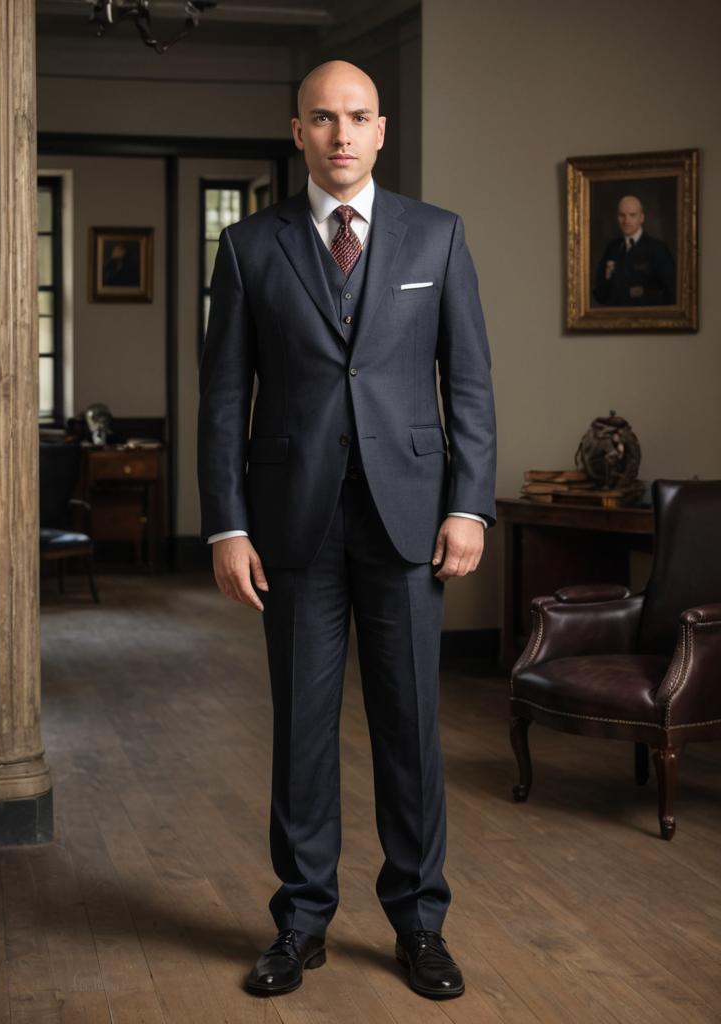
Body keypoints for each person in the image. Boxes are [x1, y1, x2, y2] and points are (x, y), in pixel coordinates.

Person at [197, 60, 496, 1001]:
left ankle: (419, 923)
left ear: (381, 128)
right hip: (292, 526)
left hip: (411, 521)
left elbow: (473, 386)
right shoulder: (249, 247)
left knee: (410, 728)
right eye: (321, 119)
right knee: (302, 731)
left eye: (356, 118)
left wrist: (467, 503)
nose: (339, 135)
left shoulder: (438, 238)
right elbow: (219, 402)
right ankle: (300, 922)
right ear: (298, 132)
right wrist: (225, 528)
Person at [592, 194, 676, 306]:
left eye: (632, 215)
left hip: (646, 319)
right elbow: (599, 291)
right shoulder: (612, 248)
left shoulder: (658, 249)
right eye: (622, 215)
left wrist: (642, 293)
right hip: (614, 319)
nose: (626, 221)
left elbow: (671, 294)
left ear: (641, 218)